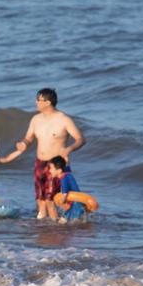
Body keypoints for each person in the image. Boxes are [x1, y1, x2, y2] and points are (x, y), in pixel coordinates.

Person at [14, 88, 85, 219]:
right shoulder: (35, 119)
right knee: (40, 200)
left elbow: (80, 139)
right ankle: (43, 230)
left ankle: (55, 229)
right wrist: (23, 143)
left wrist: (69, 149)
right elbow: (28, 138)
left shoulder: (64, 119)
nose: (36, 102)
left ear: (48, 102)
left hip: (55, 166)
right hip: (39, 163)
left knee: (50, 200)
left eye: (38, 100)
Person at [48, 155, 87, 223]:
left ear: (59, 170)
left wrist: (60, 203)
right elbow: (67, 165)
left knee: (65, 222)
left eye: (51, 168)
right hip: (78, 203)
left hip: (75, 204)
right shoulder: (67, 173)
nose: (49, 170)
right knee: (77, 221)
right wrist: (66, 158)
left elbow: (65, 195)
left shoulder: (64, 180)